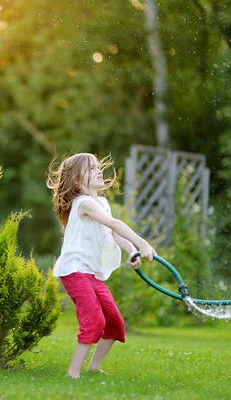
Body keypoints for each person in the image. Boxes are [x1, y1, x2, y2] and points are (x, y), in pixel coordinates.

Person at [46, 152, 156, 379]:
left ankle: (94, 368)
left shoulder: (102, 203)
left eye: (98, 166)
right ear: (77, 179)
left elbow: (112, 232)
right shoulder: (84, 203)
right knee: (94, 321)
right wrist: (142, 242)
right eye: (91, 168)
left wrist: (131, 250)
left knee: (114, 323)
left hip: (91, 273)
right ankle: (72, 373)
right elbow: (115, 223)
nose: (98, 170)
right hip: (75, 271)